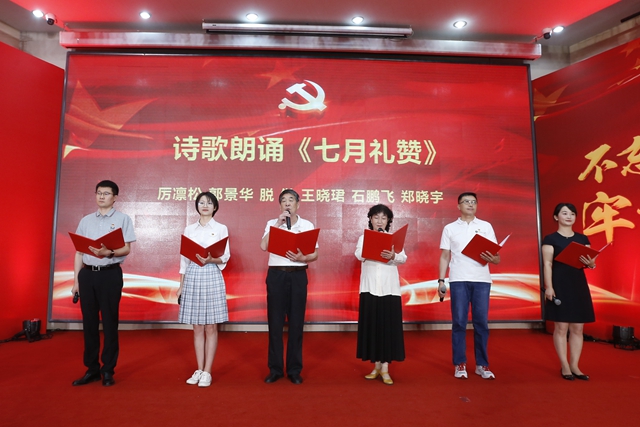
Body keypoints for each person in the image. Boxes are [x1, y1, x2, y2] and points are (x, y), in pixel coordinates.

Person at [71, 180, 136, 387]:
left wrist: (109, 252)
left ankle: (108, 369)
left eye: (106, 193)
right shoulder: (86, 220)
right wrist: (76, 281)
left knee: (109, 323)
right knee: (89, 323)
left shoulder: (123, 219)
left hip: (110, 275)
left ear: (115, 197)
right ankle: (92, 369)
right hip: (87, 275)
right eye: (98, 192)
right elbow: (79, 252)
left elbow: (126, 248)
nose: (101, 196)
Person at [438, 192, 500, 380]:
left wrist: (493, 258)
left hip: (482, 280)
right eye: (466, 202)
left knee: (481, 323)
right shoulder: (450, 228)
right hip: (458, 279)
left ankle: (482, 364)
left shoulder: (486, 226)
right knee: (459, 322)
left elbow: (497, 257)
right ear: (458, 206)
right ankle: (460, 363)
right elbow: (445, 256)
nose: (470, 205)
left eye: (474, 202)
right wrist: (441, 280)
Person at [260, 189, 318, 385]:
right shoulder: (272, 223)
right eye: (283, 200)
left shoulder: (307, 225)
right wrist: (277, 225)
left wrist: (303, 257)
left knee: (296, 323)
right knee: (275, 323)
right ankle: (275, 369)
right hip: (276, 275)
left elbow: (315, 254)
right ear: (280, 206)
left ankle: (294, 370)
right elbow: (263, 246)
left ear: (297, 204)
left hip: (298, 275)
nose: (287, 203)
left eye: (291, 200)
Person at [177, 192, 230, 387]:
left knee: (211, 326)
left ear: (215, 207)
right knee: (197, 326)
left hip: (211, 273)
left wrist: (210, 259)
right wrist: (181, 286)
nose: (205, 205)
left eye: (209, 203)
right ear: (197, 206)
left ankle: (208, 371)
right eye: (201, 202)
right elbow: (184, 260)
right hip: (192, 274)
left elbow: (225, 256)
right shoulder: (189, 229)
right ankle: (199, 369)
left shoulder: (221, 228)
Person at [542, 203, 596, 381]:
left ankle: (575, 365)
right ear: (556, 217)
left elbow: (589, 262)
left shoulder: (582, 238)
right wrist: (549, 286)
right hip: (559, 283)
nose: (569, 216)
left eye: (572, 213)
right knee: (561, 327)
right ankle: (564, 365)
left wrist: (591, 263)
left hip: (578, 284)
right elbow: (548, 264)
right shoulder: (550, 239)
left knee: (578, 328)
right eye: (564, 213)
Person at [355, 204, 406, 385]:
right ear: (370, 219)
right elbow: (358, 255)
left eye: (383, 218)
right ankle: (376, 366)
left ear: (388, 221)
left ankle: (385, 369)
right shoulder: (364, 237)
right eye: (376, 217)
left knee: (387, 329)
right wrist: (371, 249)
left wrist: (392, 256)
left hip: (389, 289)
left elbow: (403, 258)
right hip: (369, 288)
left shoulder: (393, 239)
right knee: (372, 328)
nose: (379, 221)